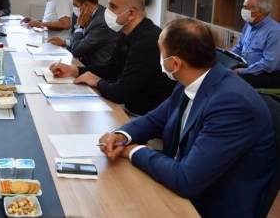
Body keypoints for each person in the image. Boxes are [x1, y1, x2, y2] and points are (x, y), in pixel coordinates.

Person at [98, 18, 275, 218]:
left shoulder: (233, 103)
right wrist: (122, 135)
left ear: (175, 63)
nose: (159, 58)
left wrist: (131, 150)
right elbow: (154, 120)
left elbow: (187, 180)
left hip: (208, 205)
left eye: (160, 52)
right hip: (180, 184)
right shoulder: (192, 80)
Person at [50, 0, 174, 116]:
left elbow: (121, 93)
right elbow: (110, 69)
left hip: (145, 116)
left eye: (113, 7)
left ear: (131, 13)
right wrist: (75, 70)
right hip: (130, 108)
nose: (107, 11)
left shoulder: (148, 39)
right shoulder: (126, 32)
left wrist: (96, 81)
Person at [47, 0, 118, 66]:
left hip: (96, 68)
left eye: (75, 5)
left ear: (86, 5)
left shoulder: (101, 22)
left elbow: (77, 51)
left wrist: (79, 26)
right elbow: (87, 41)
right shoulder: (98, 13)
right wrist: (65, 42)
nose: (75, 9)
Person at [231, 0, 280, 88]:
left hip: (267, 74)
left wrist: (240, 71)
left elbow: (269, 64)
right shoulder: (248, 25)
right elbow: (239, 47)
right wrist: (227, 60)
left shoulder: (275, 32)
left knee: (230, 80)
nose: (243, 10)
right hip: (246, 66)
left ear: (260, 12)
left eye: (246, 7)